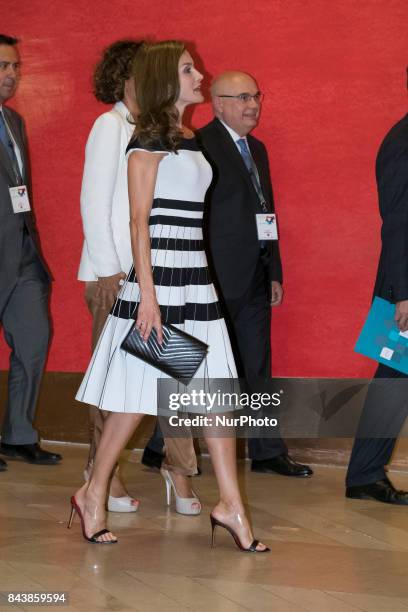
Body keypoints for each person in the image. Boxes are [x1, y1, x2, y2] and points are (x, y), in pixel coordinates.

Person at [72, 40, 269, 552]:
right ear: (165, 77)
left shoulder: (187, 136)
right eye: (187, 69)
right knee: (137, 399)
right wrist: (148, 298)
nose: (199, 74)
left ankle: (230, 505)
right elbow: (140, 222)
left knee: (214, 396)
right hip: (159, 284)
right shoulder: (146, 138)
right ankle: (93, 492)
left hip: (195, 281)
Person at [196, 71, 313, 477]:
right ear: (219, 103)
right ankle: (164, 445)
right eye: (243, 97)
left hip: (256, 276)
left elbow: (268, 211)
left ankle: (266, 451)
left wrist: (275, 269)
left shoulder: (257, 149)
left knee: (258, 365)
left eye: (257, 96)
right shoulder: (200, 146)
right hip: (214, 278)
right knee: (199, 365)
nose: (253, 105)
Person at [78, 39, 142, 512]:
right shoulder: (110, 124)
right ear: (125, 77)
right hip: (112, 275)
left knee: (134, 380)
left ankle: (106, 471)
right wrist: (108, 270)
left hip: (142, 276)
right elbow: (93, 201)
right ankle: (100, 476)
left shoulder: (144, 126)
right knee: (109, 382)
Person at [0, 34, 60, 470]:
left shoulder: (13, 121)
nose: (12, 74)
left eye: (16, 66)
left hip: (22, 254)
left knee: (34, 342)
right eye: (4, 65)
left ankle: (19, 434)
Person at [346, 91, 408, 505]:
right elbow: (399, 224)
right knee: (393, 379)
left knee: (395, 379)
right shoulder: (402, 142)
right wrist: (405, 294)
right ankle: (364, 475)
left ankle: (365, 474)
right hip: (405, 287)